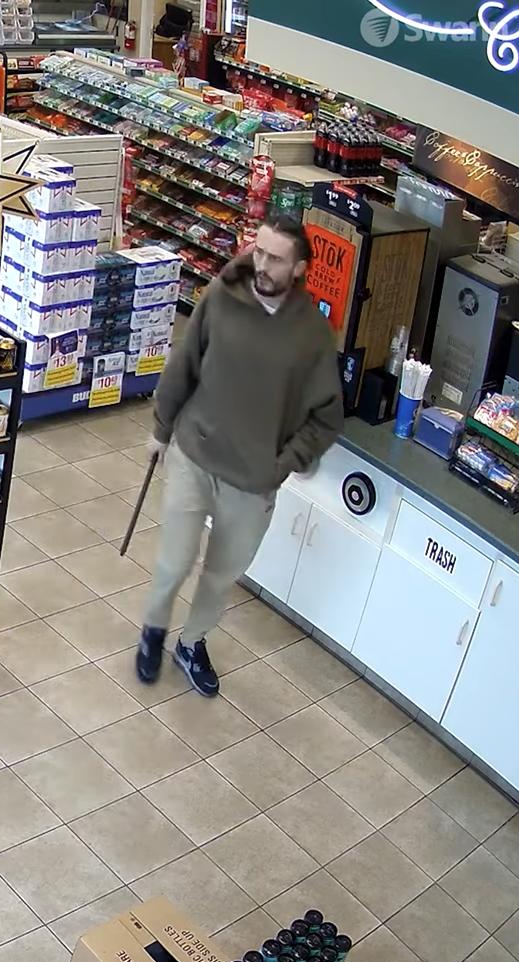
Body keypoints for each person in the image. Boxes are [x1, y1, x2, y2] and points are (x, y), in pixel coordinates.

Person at [136, 216, 343, 696]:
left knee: (222, 573)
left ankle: (192, 643)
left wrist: (285, 462)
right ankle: (153, 629)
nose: (262, 264)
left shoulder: (311, 335)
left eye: (275, 258)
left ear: (299, 268)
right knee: (174, 560)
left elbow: (327, 417)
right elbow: (185, 361)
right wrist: (162, 428)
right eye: (259, 252)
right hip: (196, 451)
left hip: (253, 479)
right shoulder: (221, 296)